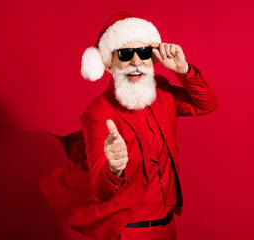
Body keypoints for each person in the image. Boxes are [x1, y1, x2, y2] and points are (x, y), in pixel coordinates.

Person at [39, 12, 219, 240]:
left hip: (169, 228)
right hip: (131, 234)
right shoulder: (97, 113)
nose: (136, 62)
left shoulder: (162, 90)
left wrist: (182, 69)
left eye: (143, 52)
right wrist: (113, 168)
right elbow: (101, 190)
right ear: (109, 62)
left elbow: (206, 105)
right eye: (125, 54)